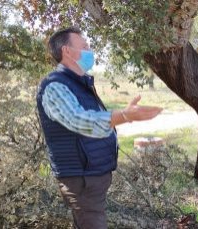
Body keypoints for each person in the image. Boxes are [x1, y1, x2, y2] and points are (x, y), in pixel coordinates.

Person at [36, 27, 162, 228]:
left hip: (91, 175)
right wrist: (124, 116)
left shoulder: (78, 84)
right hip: (81, 178)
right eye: (84, 46)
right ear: (67, 51)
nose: (89, 50)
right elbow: (78, 120)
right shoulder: (55, 86)